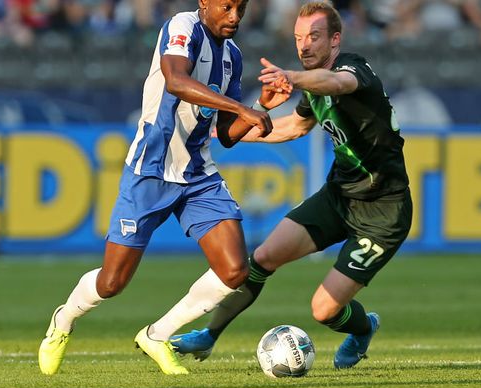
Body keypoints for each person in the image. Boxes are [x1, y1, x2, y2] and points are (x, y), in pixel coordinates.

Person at [38, 0, 291, 376]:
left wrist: (260, 106)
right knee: (112, 282)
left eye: (241, 7)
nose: (235, 16)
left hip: (198, 174)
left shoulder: (232, 56)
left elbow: (225, 134)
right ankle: (63, 321)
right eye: (226, 7)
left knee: (235, 270)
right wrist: (240, 109)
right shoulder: (182, 27)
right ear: (205, 2)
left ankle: (158, 335)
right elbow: (176, 80)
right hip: (150, 170)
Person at [171, 1, 412, 369]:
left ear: (335, 40)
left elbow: (337, 83)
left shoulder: (352, 68)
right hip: (339, 197)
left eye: (314, 36)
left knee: (324, 310)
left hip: (384, 212)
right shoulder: (313, 87)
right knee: (263, 258)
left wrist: (292, 77)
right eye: (299, 37)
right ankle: (209, 335)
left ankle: (363, 329)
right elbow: (293, 128)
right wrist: (229, 134)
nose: (304, 45)